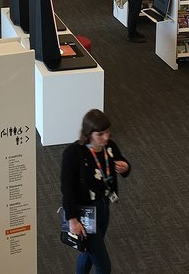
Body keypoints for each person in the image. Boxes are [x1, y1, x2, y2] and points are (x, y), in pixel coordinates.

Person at [60, 109, 130, 274]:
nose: (106, 137)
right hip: (84, 212)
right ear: (89, 133)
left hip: (104, 205)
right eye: (100, 134)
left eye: (107, 132)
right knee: (103, 265)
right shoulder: (72, 154)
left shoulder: (109, 147)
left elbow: (123, 163)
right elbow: (67, 188)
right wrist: (72, 220)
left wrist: (126, 167)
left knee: (89, 251)